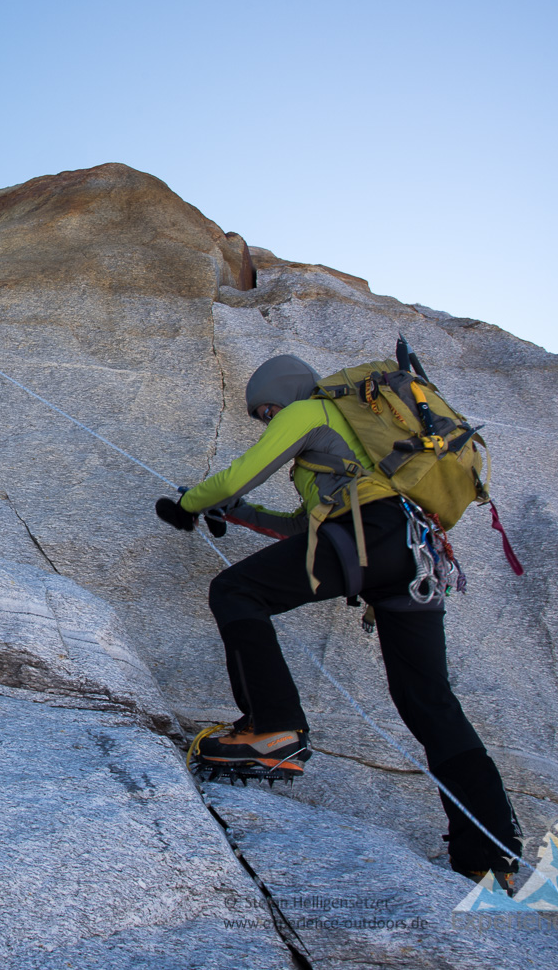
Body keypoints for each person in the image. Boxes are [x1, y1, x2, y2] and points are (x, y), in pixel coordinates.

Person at [156, 354, 522, 883]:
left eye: (265, 410)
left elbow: (246, 471)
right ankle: (489, 850)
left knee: (235, 591)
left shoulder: (310, 412)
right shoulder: (356, 451)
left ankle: (273, 728)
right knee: (428, 701)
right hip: (411, 551)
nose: (266, 419)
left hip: (369, 539)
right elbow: (304, 531)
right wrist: (233, 512)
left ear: (281, 393)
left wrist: (190, 503)